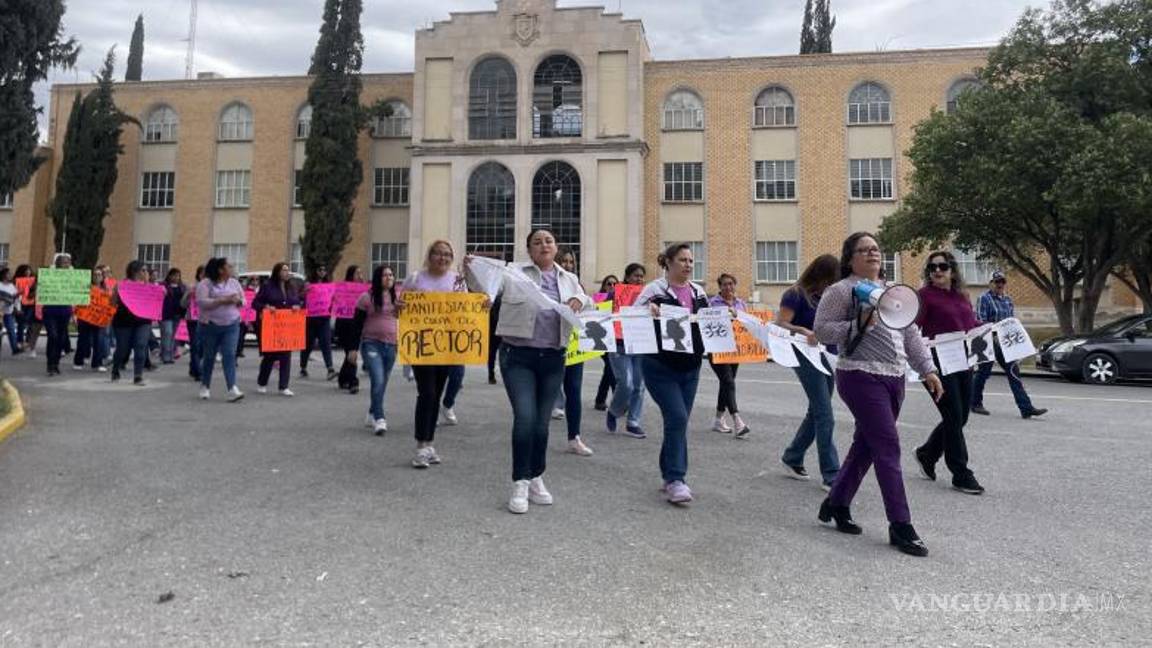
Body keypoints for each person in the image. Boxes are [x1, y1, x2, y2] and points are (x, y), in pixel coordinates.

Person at [813, 232, 943, 557]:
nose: (873, 254)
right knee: (887, 445)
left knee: (866, 446)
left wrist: (927, 369)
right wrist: (856, 326)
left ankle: (836, 502)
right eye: (864, 250)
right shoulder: (841, 291)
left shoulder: (891, 292)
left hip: (894, 377)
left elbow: (910, 333)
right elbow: (822, 330)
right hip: (858, 374)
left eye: (876, 249)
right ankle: (901, 525)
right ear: (850, 258)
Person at [467, 229, 591, 514]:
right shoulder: (513, 274)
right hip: (517, 356)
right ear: (529, 249)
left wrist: (580, 301)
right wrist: (471, 269)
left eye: (548, 241)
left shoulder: (569, 279)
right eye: (537, 242)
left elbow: (589, 301)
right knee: (525, 417)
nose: (543, 245)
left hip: (553, 358)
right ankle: (520, 482)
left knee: (542, 423)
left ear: (556, 247)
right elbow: (484, 290)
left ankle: (536, 476)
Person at [632, 243, 709, 504]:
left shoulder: (698, 291)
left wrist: (726, 317)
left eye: (691, 260)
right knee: (676, 417)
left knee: (679, 421)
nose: (688, 265)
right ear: (669, 262)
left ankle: (668, 475)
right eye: (683, 260)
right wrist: (648, 311)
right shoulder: (653, 290)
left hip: (691, 367)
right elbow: (631, 316)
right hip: (659, 366)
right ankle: (677, 479)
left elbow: (708, 321)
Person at [913, 251, 986, 496]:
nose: (937, 271)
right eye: (932, 267)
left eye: (943, 266)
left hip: (963, 362)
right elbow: (912, 330)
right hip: (935, 365)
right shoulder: (923, 297)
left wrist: (988, 329)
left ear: (952, 270)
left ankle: (927, 454)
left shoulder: (962, 295)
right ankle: (961, 473)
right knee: (953, 415)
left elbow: (969, 325)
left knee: (961, 416)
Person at [777, 254, 842, 491]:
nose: (835, 284)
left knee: (815, 411)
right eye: (833, 279)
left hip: (829, 355)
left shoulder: (831, 296)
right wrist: (803, 330)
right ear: (821, 275)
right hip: (804, 356)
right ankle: (832, 474)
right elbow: (780, 323)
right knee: (825, 414)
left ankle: (792, 457)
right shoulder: (795, 294)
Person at [400, 241, 467, 469]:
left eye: (448, 254)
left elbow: (467, 309)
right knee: (426, 393)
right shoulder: (416, 278)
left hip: (447, 345)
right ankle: (420, 446)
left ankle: (429, 444)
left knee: (436, 394)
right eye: (438, 253)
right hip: (422, 345)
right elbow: (401, 306)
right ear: (430, 255)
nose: (443, 258)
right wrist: (400, 307)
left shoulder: (457, 281)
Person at [971, 271, 1047, 419]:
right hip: (989, 341)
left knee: (1014, 373)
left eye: (1002, 282)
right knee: (983, 373)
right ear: (990, 283)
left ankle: (1026, 408)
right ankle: (974, 403)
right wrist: (994, 331)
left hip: (1006, 343)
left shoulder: (1008, 300)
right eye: (997, 282)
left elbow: (1012, 322)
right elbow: (980, 321)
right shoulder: (984, 299)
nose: (1000, 285)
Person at [550, 247, 593, 457]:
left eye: (570, 261)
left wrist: (582, 299)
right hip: (551, 343)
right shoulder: (546, 280)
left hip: (574, 346)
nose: (567, 265)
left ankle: (574, 437)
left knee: (574, 390)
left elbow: (590, 304)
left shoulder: (574, 281)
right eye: (563, 261)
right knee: (546, 389)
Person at [348, 264, 400, 435]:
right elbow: (356, 326)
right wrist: (353, 349)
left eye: (391, 275)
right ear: (378, 278)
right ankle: (380, 418)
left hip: (391, 345)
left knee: (382, 383)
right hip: (371, 344)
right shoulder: (366, 298)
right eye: (385, 275)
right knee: (377, 380)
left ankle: (371, 411)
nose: (389, 278)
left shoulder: (398, 297)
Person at [605, 263, 649, 438]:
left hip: (639, 344)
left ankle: (633, 422)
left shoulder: (647, 296)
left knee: (639, 385)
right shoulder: (614, 294)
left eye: (641, 276)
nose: (639, 279)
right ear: (627, 277)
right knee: (626, 382)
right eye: (636, 275)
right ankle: (614, 411)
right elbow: (599, 311)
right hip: (618, 343)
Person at [707, 273, 750, 437]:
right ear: (720, 287)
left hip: (735, 350)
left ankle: (718, 419)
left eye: (731, 284)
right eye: (724, 284)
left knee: (726, 384)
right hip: (717, 350)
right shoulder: (712, 304)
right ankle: (737, 421)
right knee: (728, 381)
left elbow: (747, 325)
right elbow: (708, 324)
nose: (728, 287)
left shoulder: (741, 304)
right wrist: (726, 314)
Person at [197, 257, 246, 402]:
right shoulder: (205, 284)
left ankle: (232, 388)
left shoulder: (234, 283)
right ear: (220, 270)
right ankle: (205, 386)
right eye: (229, 266)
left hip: (232, 324)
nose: (232, 269)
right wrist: (223, 300)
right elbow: (202, 303)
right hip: (210, 325)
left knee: (229, 355)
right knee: (210, 357)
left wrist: (238, 301)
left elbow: (244, 300)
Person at [252, 262, 302, 397]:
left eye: (287, 270)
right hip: (272, 325)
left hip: (286, 326)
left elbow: (296, 301)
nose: (286, 273)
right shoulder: (267, 286)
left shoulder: (291, 287)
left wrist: (296, 306)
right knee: (270, 355)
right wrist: (266, 307)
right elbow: (255, 303)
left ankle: (283, 386)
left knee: (286, 354)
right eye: (284, 270)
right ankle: (262, 383)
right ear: (277, 271)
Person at [109, 261, 153, 386]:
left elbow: (155, 303)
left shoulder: (150, 287)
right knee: (122, 348)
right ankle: (115, 369)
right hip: (124, 321)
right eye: (143, 270)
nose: (146, 273)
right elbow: (112, 303)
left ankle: (138, 375)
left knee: (140, 345)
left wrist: (160, 293)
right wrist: (115, 293)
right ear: (134, 272)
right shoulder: (122, 285)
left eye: (146, 271)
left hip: (143, 321)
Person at [300, 265, 336, 380]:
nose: (322, 272)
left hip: (324, 318)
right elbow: (299, 297)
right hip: (310, 319)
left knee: (326, 343)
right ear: (315, 271)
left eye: (324, 269)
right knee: (308, 344)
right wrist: (305, 292)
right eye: (320, 269)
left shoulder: (329, 285)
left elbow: (333, 298)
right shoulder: (308, 284)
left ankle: (330, 369)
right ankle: (303, 366)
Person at [42, 253, 75, 376]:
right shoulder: (49, 276)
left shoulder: (72, 277)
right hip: (50, 311)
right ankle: (50, 364)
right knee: (53, 336)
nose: (67, 265)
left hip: (65, 311)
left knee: (61, 338)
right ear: (58, 264)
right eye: (65, 262)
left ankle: (55, 363)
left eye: (68, 263)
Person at [335, 265, 366, 394]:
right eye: (357, 273)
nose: (360, 275)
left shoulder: (363, 290)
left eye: (361, 273)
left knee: (350, 353)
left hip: (356, 325)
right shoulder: (343, 288)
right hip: (344, 324)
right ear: (351, 275)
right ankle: (353, 381)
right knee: (350, 352)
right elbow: (332, 299)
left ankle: (343, 378)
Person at [73, 267, 109, 372]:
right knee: (83, 340)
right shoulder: (86, 288)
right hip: (84, 318)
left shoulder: (106, 291)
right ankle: (78, 361)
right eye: (95, 274)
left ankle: (97, 363)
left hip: (99, 318)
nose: (97, 277)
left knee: (99, 341)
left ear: (102, 277)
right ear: (91, 276)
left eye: (99, 275)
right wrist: (75, 315)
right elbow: (79, 302)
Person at [593, 274, 619, 410]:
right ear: (604, 286)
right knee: (611, 368)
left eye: (615, 284)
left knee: (609, 370)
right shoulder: (598, 301)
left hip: (615, 340)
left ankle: (600, 399)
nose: (612, 287)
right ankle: (618, 400)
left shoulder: (619, 300)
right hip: (602, 341)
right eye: (609, 284)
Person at [182, 266, 206, 382]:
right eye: (202, 274)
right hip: (193, 319)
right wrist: (188, 295)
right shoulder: (192, 287)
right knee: (195, 345)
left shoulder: (211, 288)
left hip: (206, 319)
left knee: (201, 347)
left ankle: (193, 367)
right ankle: (198, 371)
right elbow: (182, 304)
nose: (204, 276)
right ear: (198, 275)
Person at [160, 268, 186, 364]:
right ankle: (165, 356)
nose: (176, 278)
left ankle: (169, 355)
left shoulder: (182, 287)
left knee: (172, 336)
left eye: (178, 276)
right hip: (165, 314)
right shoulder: (163, 286)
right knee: (167, 333)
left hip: (177, 314)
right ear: (169, 276)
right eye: (174, 275)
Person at [0, 267, 20, 357]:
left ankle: (15, 348)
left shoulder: (13, 287)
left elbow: (16, 299)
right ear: (4, 275)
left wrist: (17, 308)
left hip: (8, 312)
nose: (10, 275)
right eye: (8, 274)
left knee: (11, 330)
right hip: (0, 312)